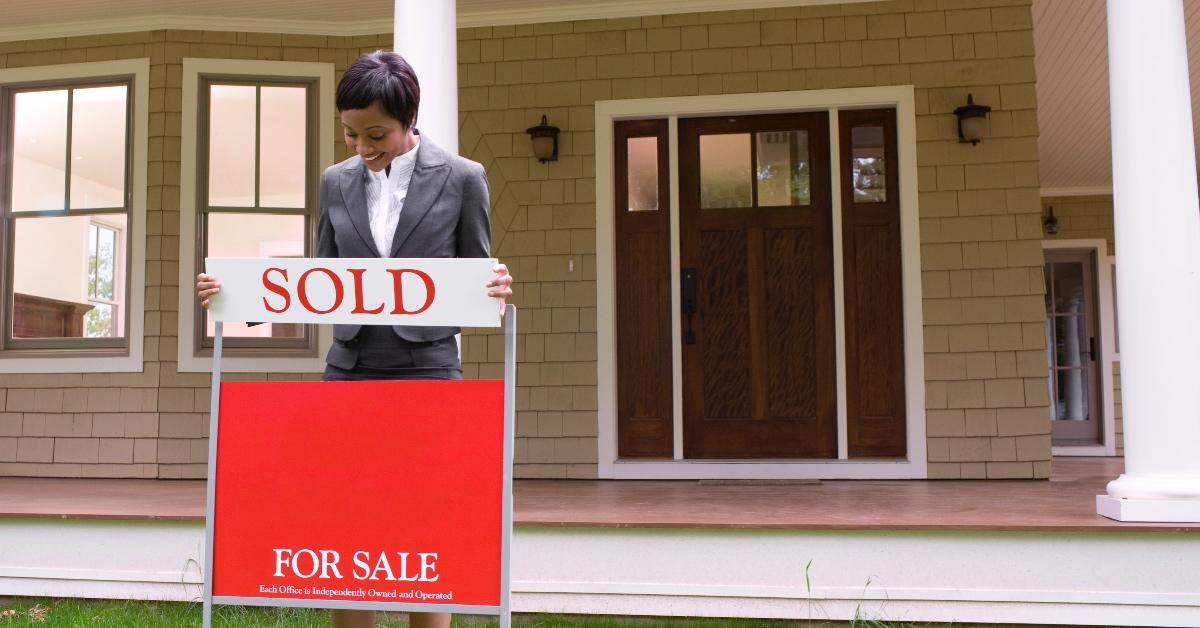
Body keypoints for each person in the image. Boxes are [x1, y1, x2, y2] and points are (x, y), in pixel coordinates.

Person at [197, 51, 512, 628]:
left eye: (376, 134)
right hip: (351, 367)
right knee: (347, 521)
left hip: (428, 367)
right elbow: (322, 280)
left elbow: (475, 272)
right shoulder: (335, 182)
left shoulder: (464, 178)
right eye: (350, 134)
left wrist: (493, 285)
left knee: (425, 524)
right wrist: (235, 294)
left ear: (409, 120)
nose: (363, 147)